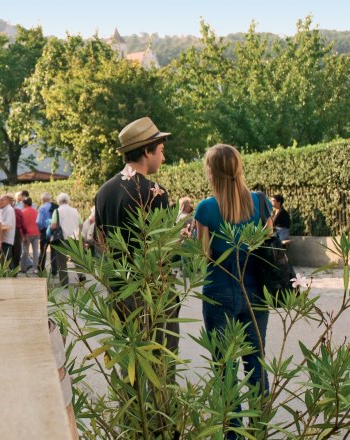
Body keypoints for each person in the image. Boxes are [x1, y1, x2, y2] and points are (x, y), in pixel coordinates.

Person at [194, 144, 272, 435]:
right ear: (239, 168)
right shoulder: (260, 203)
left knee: (224, 367)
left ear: (211, 171)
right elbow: (267, 243)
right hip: (255, 291)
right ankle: (260, 429)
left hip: (219, 291)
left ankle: (234, 433)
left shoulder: (206, 208)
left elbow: (203, 256)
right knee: (256, 363)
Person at [94, 116, 177, 352]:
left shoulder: (103, 192)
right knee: (161, 364)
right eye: (160, 150)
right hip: (149, 291)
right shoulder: (154, 192)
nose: (163, 157)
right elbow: (162, 248)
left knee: (130, 367)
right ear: (147, 152)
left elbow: (100, 241)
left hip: (119, 288)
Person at [50, 193, 81, 286]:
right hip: (74, 237)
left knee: (61, 261)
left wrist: (51, 228)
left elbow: (54, 225)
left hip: (62, 238)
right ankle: (81, 275)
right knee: (77, 259)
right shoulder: (75, 211)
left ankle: (64, 282)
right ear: (68, 200)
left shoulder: (57, 211)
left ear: (58, 201)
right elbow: (81, 224)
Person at [37, 192, 57, 274]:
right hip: (55, 231)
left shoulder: (42, 208)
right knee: (54, 251)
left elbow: (39, 221)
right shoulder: (55, 206)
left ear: (43, 199)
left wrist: (41, 229)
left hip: (45, 231)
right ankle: (54, 270)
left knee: (43, 251)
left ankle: (41, 269)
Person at [20, 197, 40, 273]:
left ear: (24, 204)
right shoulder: (36, 211)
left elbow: (22, 225)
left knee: (25, 252)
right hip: (36, 233)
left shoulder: (23, 212)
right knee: (35, 251)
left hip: (27, 234)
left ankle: (23, 268)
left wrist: (23, 236)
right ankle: (35, 269)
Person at [0, 195, 16, 265]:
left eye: (1, 200)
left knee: (7, 258)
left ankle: (12, 273)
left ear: (7, 200)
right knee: (6, 258)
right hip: (4, 238)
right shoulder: (4, 209)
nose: (0, 201)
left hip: (7, 239)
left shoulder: (9, 210)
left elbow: (8, 224)